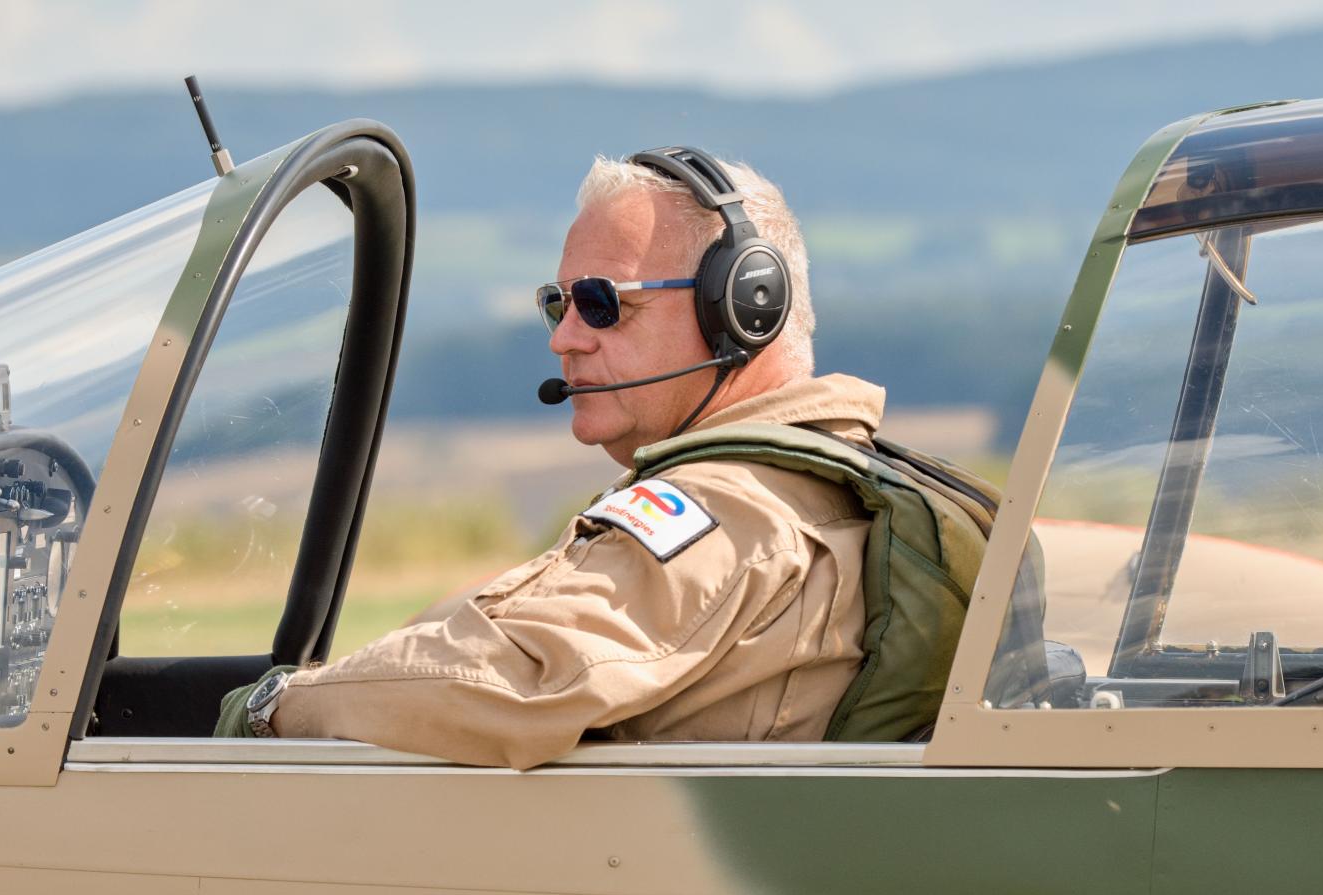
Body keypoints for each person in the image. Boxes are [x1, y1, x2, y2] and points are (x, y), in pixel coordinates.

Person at [215, 148, 890, 767]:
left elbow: (511, 683)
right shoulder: (817, 485)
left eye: (601, 303)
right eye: (556, 305)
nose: (564, 339)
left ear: (744, 306)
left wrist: (272, 708)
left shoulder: (732, 510)